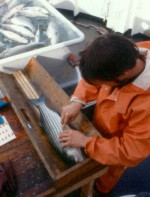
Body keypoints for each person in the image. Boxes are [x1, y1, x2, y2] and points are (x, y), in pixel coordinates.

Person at [59, 34, 150, 194]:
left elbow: (131, 151)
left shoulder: (146, 105)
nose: (100, 86)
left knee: (105, 181)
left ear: (122, 76)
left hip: (116, 154)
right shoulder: (129, 53)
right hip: (100, 131)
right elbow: (94, 77)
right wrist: (77, 101)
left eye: (103, 84)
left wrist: (86, 142)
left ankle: (100, 191)